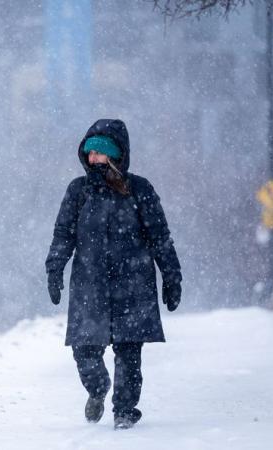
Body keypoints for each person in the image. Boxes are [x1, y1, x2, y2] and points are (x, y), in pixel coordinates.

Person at [45, 118, 182, 430]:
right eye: (89, 153)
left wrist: (172, 277)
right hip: (89, 286)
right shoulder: (78, 192)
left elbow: (160, 238)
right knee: (84, 351)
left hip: (133, 285)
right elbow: (63, 235)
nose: (93, 159)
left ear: (117, 155)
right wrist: (55, 269)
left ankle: (124, 411)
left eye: (100, 153)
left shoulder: (140, 190)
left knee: (129, 352)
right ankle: (97, 389)